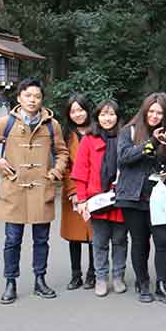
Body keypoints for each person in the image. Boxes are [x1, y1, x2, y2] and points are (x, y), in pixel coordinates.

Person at [0, 78, 69, 305]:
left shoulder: (51, 125)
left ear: (42, 99)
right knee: (12, 240)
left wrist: (55, 173)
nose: (32, 100)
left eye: (37, 96)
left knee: (41, 240)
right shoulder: (7, 122)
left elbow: (62, 152)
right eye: (28, 95)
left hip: (41, 189)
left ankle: (40, 280)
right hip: (14, 190)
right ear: (19, 98)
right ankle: (10, 282)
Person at [115, 92, 166, 304]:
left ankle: (161, 284)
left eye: (159, 112)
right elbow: (123, 158)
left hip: (157, 196)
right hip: (132, 196)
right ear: (144, 110)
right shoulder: (129, 130)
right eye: (151, 111)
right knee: (140, 242)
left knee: (163, 240)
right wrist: (150, 142)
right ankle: (143, 283)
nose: (155, 116)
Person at [71, 99, 128, 298]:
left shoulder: (126, 137)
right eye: (103, 114)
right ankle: (101, 278)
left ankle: (119, 276)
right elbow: (80, 171)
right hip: (96, 199)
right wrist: (82, 199)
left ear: (118, 117)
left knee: (120, 240)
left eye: (111, 114)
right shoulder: (89, 139)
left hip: (121, 197)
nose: (107, 118)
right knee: (100, 241)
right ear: (97, 117)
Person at [60, 93, 96, 291]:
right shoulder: (65, 135)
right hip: (73, 190)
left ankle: (93, 273)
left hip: (94, 190)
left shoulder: (97, 131)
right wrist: (72, 190)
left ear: (87, 110)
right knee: (74, 236)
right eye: (73, 111)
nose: (77, 114)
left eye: (80, 109)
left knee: (93, 234)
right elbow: (64, 165)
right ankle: (76, 275)